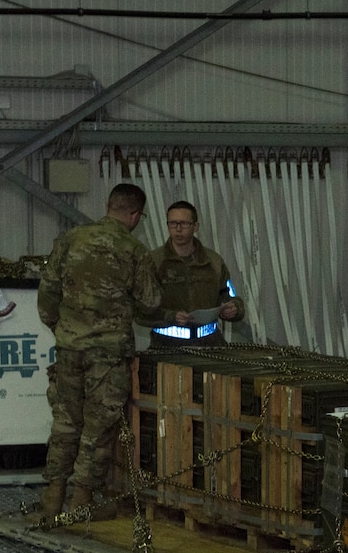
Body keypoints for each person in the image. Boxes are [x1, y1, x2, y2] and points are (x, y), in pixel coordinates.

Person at [36, 182, 163, 526]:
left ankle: (52, 498)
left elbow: (47, 294)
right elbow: (150, 306)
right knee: (98, 428)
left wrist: (64, 330)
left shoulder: (70, 240)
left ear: (109, 206)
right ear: (135, 215)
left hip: (69, 349)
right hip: (108, 355)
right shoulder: (134, 250)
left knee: (65, 423)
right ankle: (81, 502)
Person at [147, 200, 245, 330]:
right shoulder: (154, 261)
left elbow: (228, 296)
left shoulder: (213, 261)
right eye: (173, 223)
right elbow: (141, 310)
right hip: (166, 344)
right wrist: (170, 316)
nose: (178, 229)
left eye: (184, 224)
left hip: (209, 342)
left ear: (196, 226)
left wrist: (234, 308)